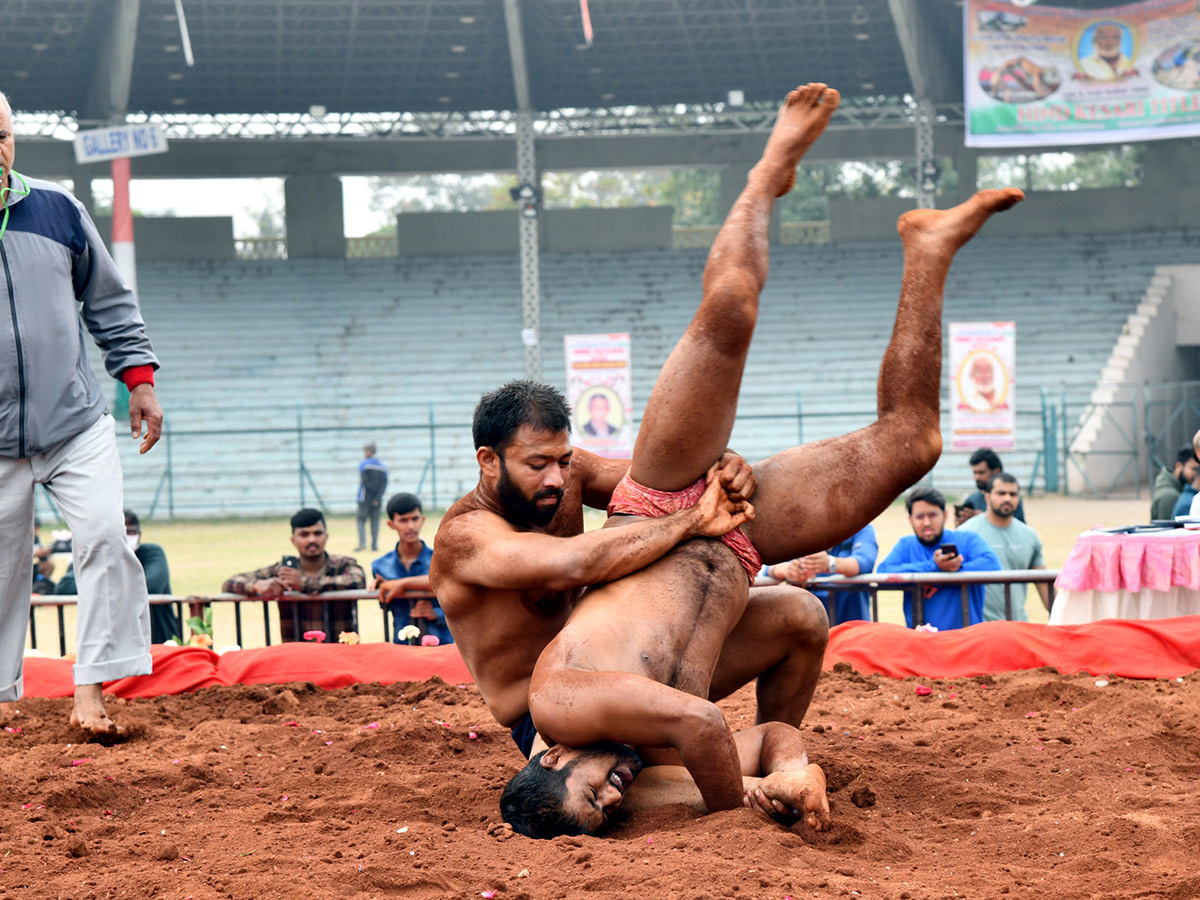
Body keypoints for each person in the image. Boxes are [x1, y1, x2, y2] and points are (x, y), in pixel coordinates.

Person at [501, 83, 1024, 837]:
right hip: (741, 544)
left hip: (663, 499)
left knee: (731, 310)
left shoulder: (560, 705)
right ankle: (929, 249)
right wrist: (783, 770)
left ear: (552, 760)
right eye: (608, 817)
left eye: (593, 798)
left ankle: (768, 170)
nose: (613, 800)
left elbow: (705, 727)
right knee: (913, 446)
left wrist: (737, 813)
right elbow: (746, 738)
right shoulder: (649, 760)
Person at [0, 90, 164, 734]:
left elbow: (110, 300)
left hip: (74, 423)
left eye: (3, 135)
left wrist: (140, 380)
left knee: (104, 541)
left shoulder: (58, 208)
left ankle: (92, 687)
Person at [222, 508, 365, 642]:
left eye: (317, 533)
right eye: (304, 534)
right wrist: (256, 585)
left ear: (326, 536)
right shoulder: (283, 571)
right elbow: (229, 583)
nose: (312, 540)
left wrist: (304, 583)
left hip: (340, 652)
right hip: (295, 656)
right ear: (293, 540)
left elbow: (358, 580)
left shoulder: (341, 564)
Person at [878, 486, 1002, 630]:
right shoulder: (906, 545)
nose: (926, 523)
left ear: (945, 515)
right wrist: (933, 567)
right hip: (923, 641)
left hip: (965, 640)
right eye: (919, 517)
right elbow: (883, 573)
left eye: (932, 515)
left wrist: (956, 567)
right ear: (910, 519)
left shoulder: (967, 539)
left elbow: (992, 564)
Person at [55, 510, 175, 643]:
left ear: (139, 535)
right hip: (112, 645)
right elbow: (64, 587)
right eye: (121, 532)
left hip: (158, 641)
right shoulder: (97, 558)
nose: (125, 537)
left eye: (130, 532)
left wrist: (100, 586)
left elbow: (151, 586)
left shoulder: (151, 553)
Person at [956, 474, 1049, 621]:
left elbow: (1045, 585)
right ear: (987, 497)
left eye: (1013, 494)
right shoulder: (965, 533)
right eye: (1001, 493)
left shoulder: (1029, 536)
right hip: (977, 630)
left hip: (1017, 626)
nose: (1007, 498)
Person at [757, 524, 878, 624]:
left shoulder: (861, 529)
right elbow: (765, 566)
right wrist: (784, 570)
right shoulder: (800, 531)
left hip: (852, 627)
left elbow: (864, 562)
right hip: (809, 630)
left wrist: (830, 563)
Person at [371, 493, 450, 645]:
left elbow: (453, 591)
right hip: (401, 644)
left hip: (441, 642)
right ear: (391, 524)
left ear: (423, 520)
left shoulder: (440, 559)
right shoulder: (380, 566)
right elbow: (385, 605)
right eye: (403, 520)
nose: (411, 526)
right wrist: (378, 588)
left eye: (415, 519)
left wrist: (437, 613)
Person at [958, 448, 1025, 524]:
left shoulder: (1009, 499)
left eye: (981, 472)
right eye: (975, 473)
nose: (977, 477)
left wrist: (985, 518)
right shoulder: (971, 500)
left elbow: (1018, 528)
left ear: (996, 471)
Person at [355, 442, 388, 552]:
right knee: (375, 522)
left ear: (369, 452)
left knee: (361, 520)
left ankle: (362, 543)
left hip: (364, 498)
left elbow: (364, 482)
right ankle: (374, 545)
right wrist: (377, 498)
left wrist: (371, 496)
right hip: (377, 500)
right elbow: (384, 485)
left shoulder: (363, 465)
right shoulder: (383, 467)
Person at [1151, 447, 1198, 521]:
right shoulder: (1169, 496)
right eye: (1194, 469)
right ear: (1179, 466)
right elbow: (1167, 530)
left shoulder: (1177, 489)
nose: (1196, 474)